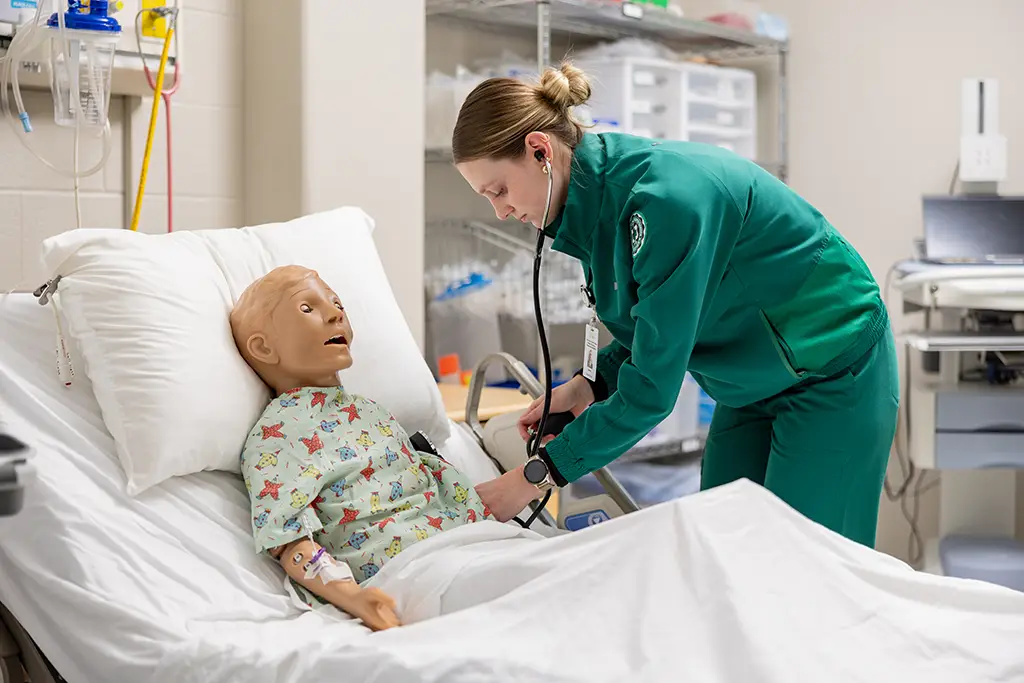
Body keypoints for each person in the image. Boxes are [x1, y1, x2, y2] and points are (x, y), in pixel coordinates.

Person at [453, 61, 899, 549]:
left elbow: (652, 389)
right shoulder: (592, 207)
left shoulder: (664, 201)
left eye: (499, 190)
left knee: (811, 570)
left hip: (832, 368)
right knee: (726, 551)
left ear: (540, 150)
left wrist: (534, 477)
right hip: (749, 383)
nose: (499, 211)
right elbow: (660, 323)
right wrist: (591, 384)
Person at [230, 265, 494, 631]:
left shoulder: (370, 412)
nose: (336, 313)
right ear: (263, 347)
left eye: (336, 303)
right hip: (411, 570)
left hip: (475, 544)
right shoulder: (277, 437)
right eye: (307, 308)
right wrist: (352, 597)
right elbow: (290, 542)